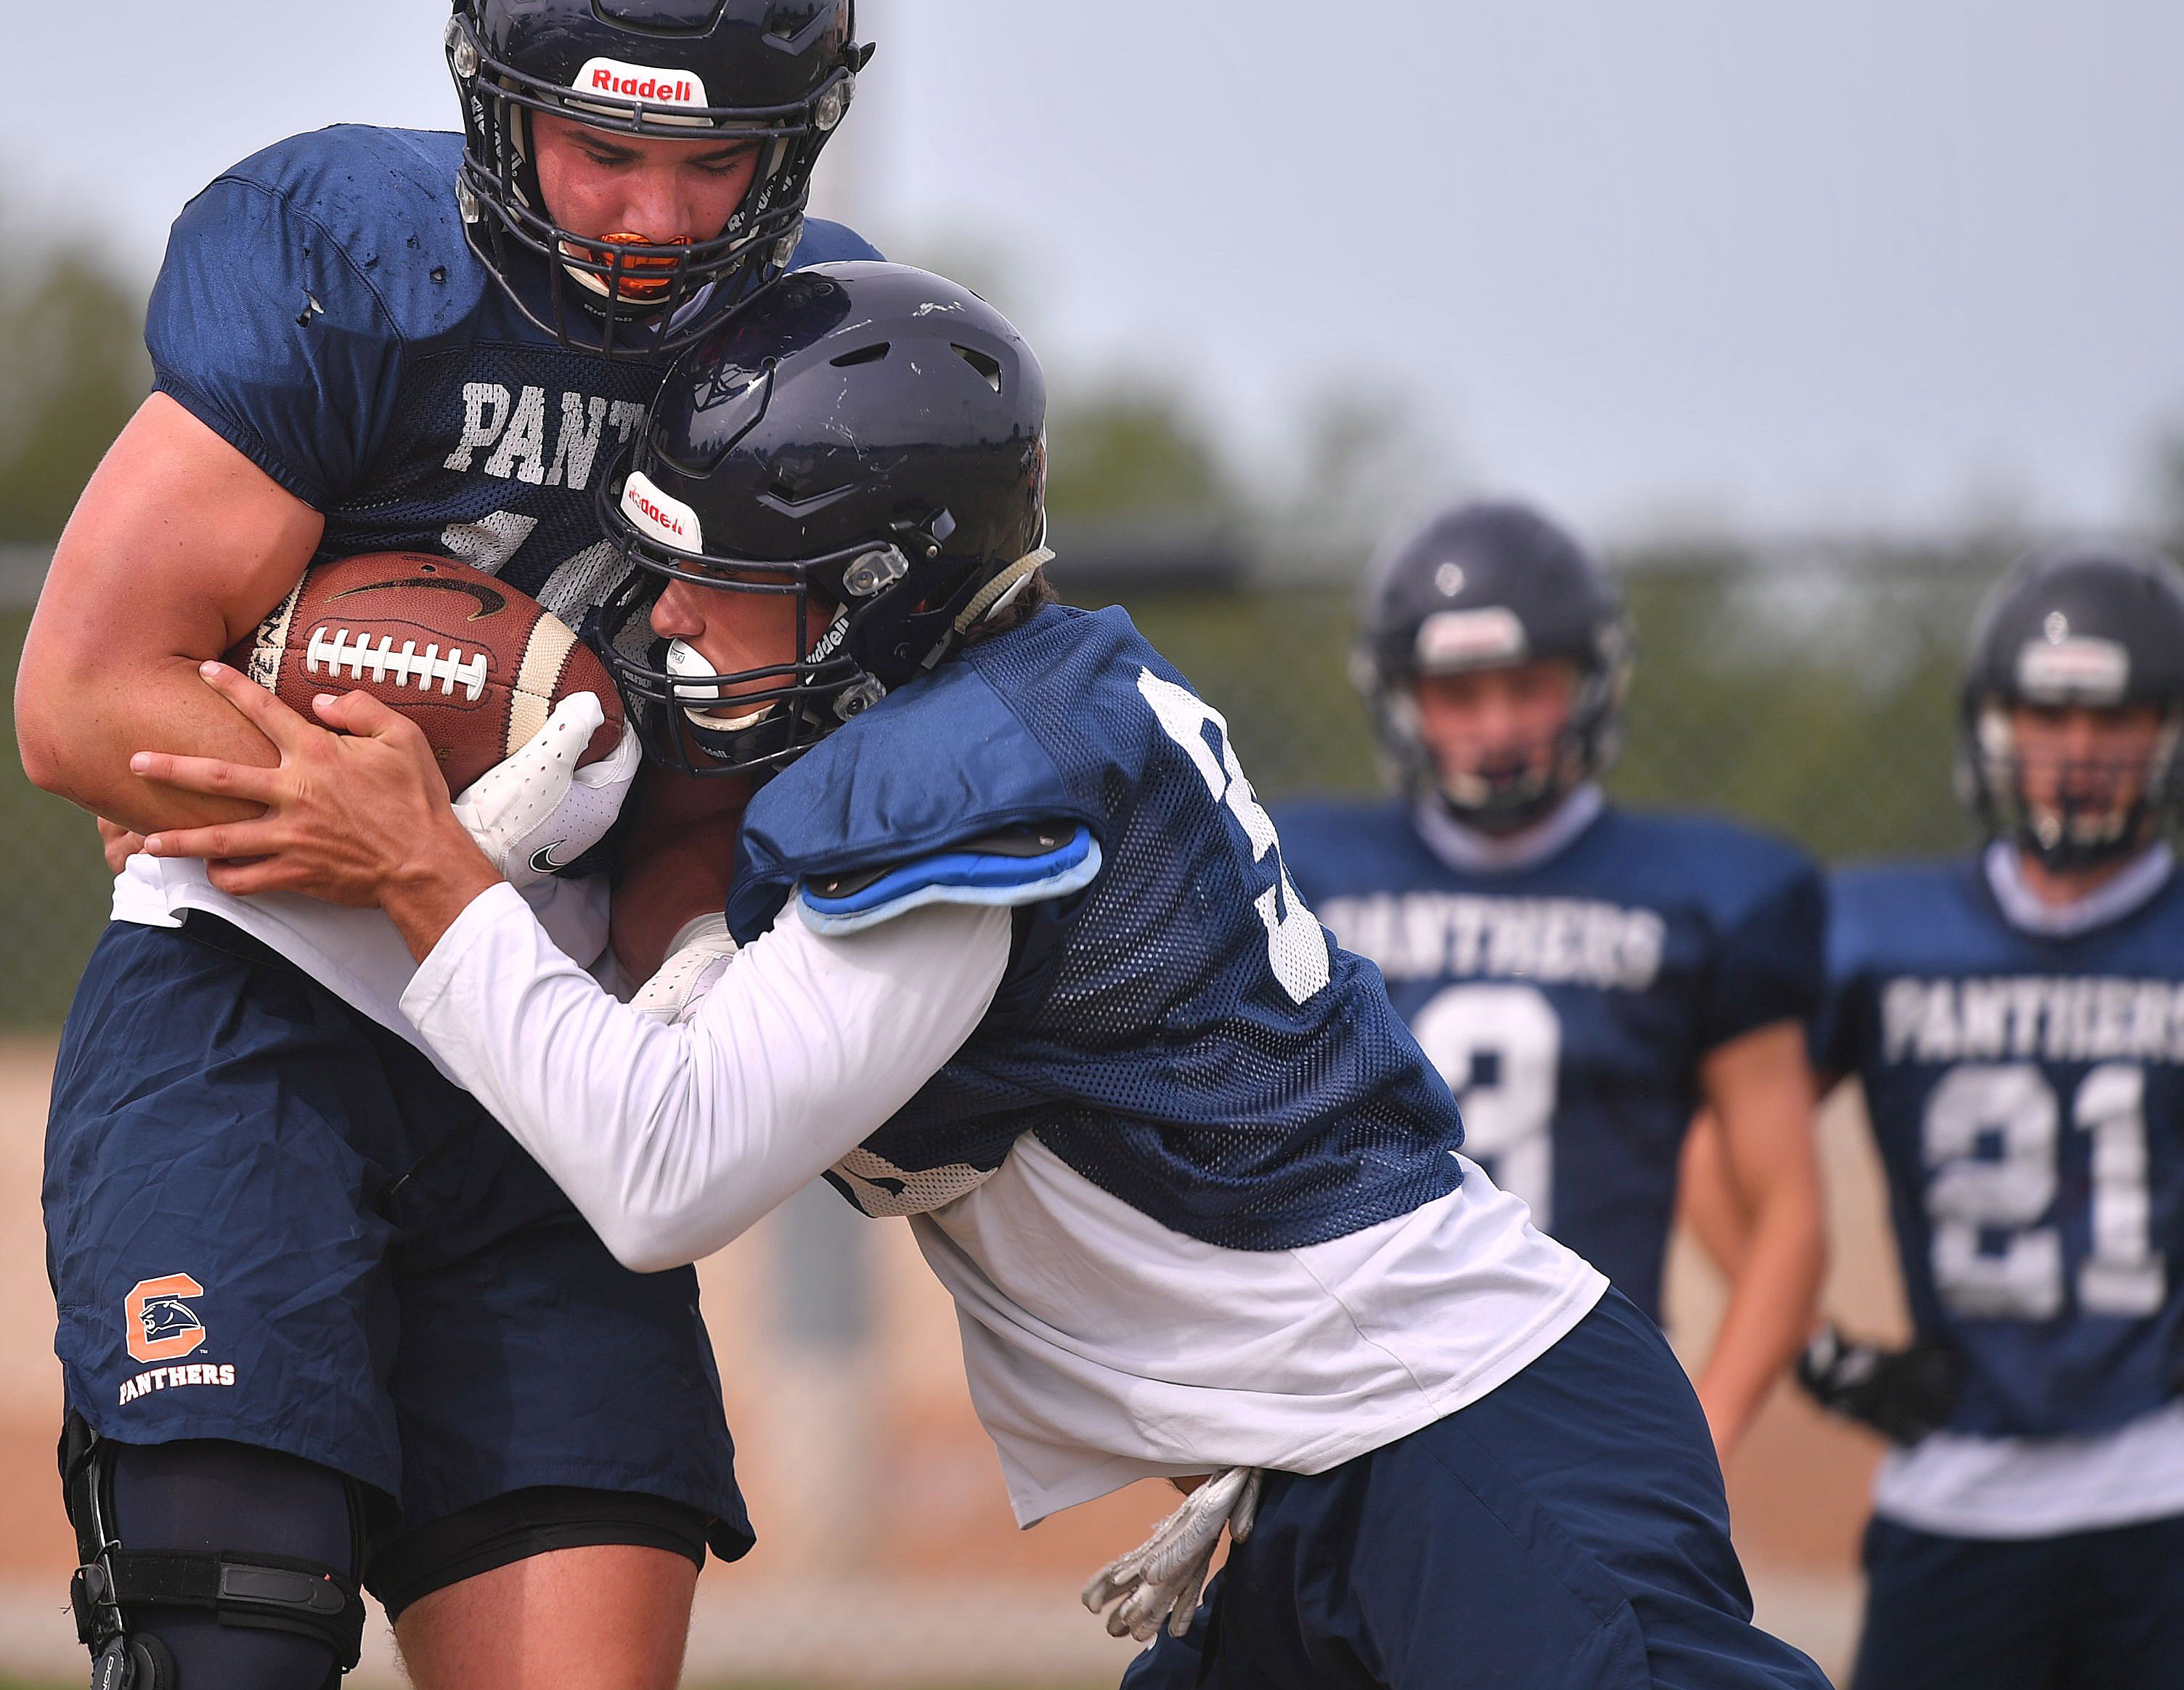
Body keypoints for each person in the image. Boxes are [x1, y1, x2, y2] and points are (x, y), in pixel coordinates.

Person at [130, 261, 1831, 1690]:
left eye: (728, 583)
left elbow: (666, 1173)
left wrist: (425, 876)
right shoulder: (1014, 701)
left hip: (1472, 1445)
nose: (670, 626)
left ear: (881, 593)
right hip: (1329, 1469)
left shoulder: (966, 782)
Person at [16, 0, 879, 1689]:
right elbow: (76, 701)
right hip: (253, 1017)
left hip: (541, 1084)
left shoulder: (813, 357)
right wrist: (364, 812)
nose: (650, 217)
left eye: (708, 161)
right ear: (503, 108)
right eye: (601, 149)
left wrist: (685, 952)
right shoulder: (350, 255)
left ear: (792, 147)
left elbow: (722, 778)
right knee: (226, 1645)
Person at [1272, 503, 1827, 1461]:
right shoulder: (1298, 874)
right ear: (1399, 697)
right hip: (1354, 1391)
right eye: (1458, 692)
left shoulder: (1711, 895)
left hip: (1588, 1392)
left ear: (1593, 684)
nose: (1495, 725)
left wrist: (1703, 1436)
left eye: (1527, 687)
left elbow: (1788, 1211)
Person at [1787, 546, 2184, 1690]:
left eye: (2115, 718)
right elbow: (1737, 1141)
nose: (2078, 750)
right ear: (1993, 727)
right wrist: (1823, 1355)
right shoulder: (1877, 929)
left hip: (2160, 1472)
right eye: (2047, 713)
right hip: (1958, 1481)